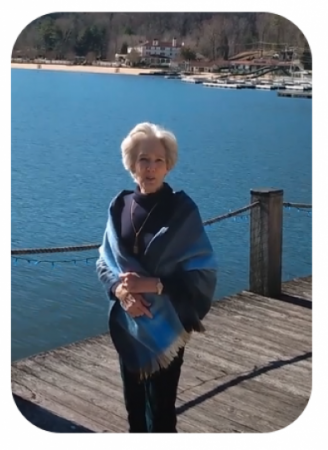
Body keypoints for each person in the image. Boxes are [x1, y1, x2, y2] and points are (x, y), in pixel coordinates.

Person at [96, 122, 217, 433]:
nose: (150, 168)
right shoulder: (119, 206)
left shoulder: (182, 210)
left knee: (162, 416)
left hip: (167, 325)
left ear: (168, 165)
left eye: (158, 161)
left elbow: (203, 272)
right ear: (132, 163)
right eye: (143, 159)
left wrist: (149, 285)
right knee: (134, 413)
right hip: (128, 325)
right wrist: (123, 294)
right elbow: (104, 263)